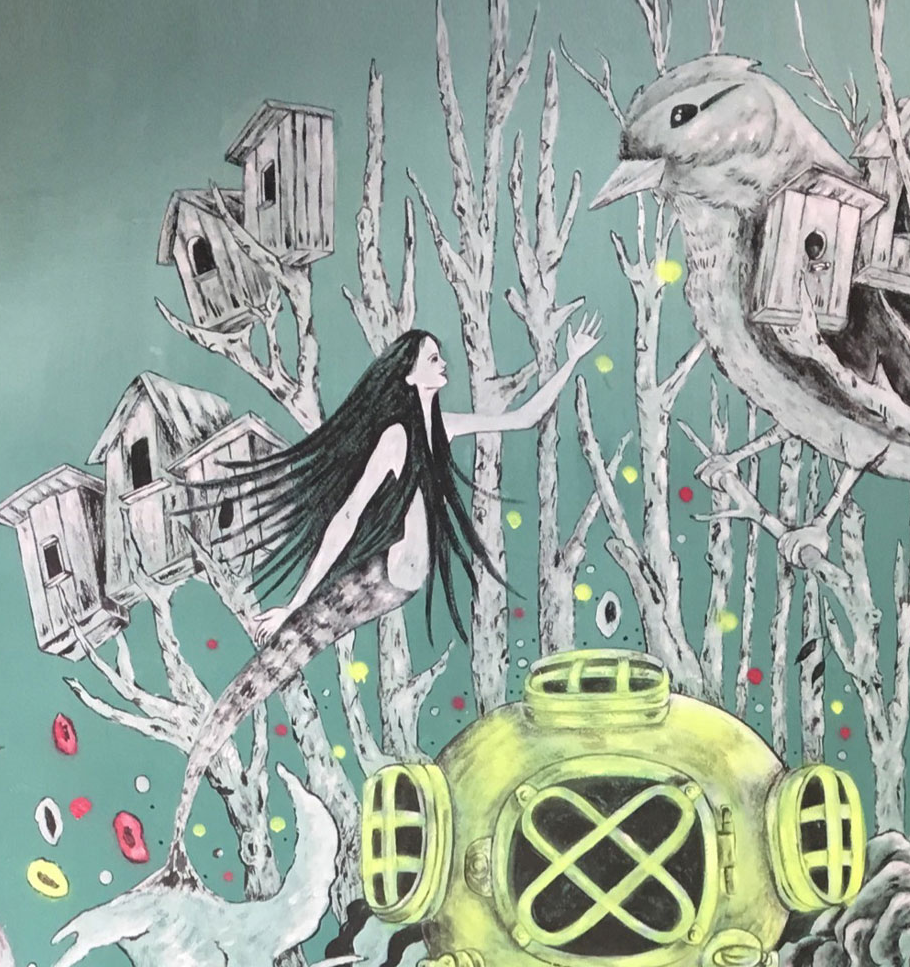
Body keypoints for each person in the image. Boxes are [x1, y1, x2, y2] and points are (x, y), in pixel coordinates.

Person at [167, 314, 599, 853]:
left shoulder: (439, 427)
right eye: (433, 357)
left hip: (396, 581)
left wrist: (572, 358)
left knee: (283, 660)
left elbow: (524, 417)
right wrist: (293, 605)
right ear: (411, 374)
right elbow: (347, 515)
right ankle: (195, 779)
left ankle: (203, 762)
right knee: (279, 659)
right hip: (383, 576)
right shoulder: (396, 438)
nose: (444, 363)